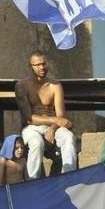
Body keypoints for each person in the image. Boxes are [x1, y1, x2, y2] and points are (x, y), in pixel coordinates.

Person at [15, 50, 77, 180]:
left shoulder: (55, 85)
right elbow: (29, 118)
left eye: (43, 63)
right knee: (37, 143)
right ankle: (33, 183)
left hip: (52, 127)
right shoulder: (21, 86)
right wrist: (55, 120)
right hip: (31, 128)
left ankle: (70, 178)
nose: (42, 67)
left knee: (68, 137)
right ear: (30, 66)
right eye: (37, 65)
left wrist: (53, 128)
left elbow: (61, 115)